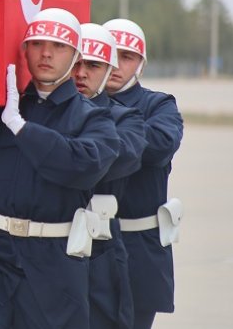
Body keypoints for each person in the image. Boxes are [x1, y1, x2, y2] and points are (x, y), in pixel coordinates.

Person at [0, 8, 120, 329]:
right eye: (37, 43)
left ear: (75, 56)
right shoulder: (1, 108)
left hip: (54, 263)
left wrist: (20, 127)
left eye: (59, 46)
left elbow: (82, 165)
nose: (45, 53)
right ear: (23, 50)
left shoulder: (93, 117)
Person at [103, 18, 184, 329]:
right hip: (83, 242)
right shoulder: (76, 103)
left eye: (127, 56)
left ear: (141, 64)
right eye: (109, 54)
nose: (115, 64)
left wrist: (98, 114)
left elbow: (160, 145)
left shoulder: (159, 104)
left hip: (138, 248)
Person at [73, 23, 148, 329]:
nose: (81, 73)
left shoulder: (125, 118)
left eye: (93, 65)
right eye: (77, 63)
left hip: (99, 247)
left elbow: (116, 157)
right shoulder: (34, 113)